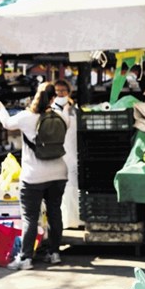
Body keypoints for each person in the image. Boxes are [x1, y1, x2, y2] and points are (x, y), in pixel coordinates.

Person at [0, 82, 69, 270]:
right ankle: (54, 253)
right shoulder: (62, 116)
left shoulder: (26, 117)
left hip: (34, 176)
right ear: (53, 98)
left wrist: (1, 107)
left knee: (30, 218)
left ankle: (25, 258)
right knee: (55, 213)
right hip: (59, 173)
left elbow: (6, 123)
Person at [53, 79, 82, 229]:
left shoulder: (74, 110)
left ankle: (74, 220)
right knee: (60, 189)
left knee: (72, 186)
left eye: (63, 91)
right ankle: (65, 221)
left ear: (69, 92)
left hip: (72, 152)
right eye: (57, 91)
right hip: (58, 154)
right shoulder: (50, 110)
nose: (60, 94)